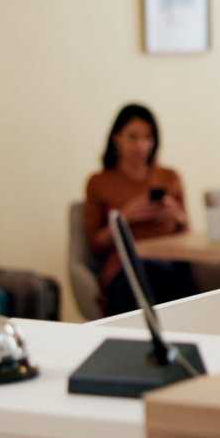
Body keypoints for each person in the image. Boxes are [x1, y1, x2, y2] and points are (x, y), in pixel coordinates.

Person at [84, 103, 197, 316]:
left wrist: (177, 216)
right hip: (126, 265)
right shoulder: (99, 182)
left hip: (170, 261)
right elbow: (95, 244)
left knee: (182, 277)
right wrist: (124, 218)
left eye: (147, 138)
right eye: (133, 137)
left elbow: (187, 234)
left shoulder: (169, 177)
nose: (141, 146)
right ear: (116, 138)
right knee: (146, 277)